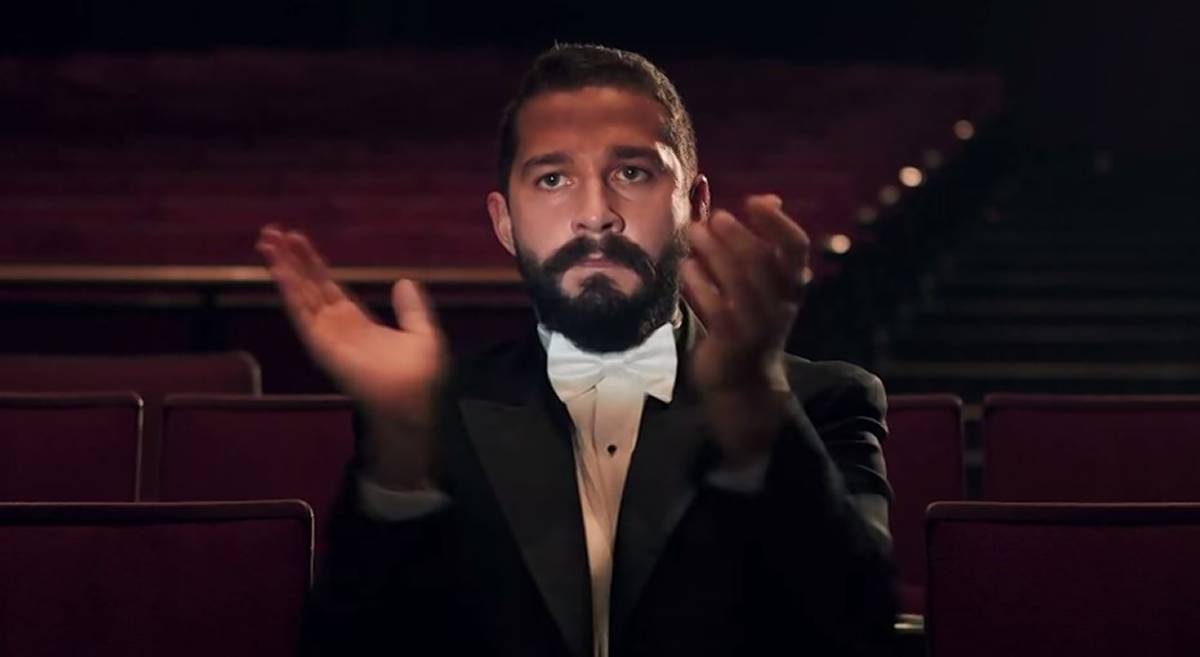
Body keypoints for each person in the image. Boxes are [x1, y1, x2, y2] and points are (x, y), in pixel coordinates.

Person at [257, 43, 894, 657]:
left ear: (695, 205)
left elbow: (863, 634)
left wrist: (754, 419)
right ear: (504, 222)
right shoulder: (424, 416)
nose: (595, 214)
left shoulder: (824, 401)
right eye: (553, 177)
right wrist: (400, 459)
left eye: (632, 173)